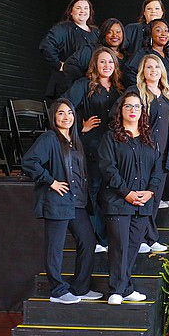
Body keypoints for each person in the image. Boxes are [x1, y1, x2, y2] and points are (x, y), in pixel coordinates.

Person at [22, 98, 100, 304]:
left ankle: (80, 288)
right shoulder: (49, 138)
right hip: (58, 201)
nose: (66, 117)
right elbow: (29, 162)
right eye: (61, 113)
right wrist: (51, 181)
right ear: (53, 117)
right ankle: (57, 290)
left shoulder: (74, 140)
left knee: (88, 241)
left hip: (77, 201)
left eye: (70, 113)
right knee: (54, 248)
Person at [98, 91, 163, 305]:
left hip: (143, 203)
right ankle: (116, 289)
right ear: (121, 110)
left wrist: (151, 191)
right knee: (119, 247)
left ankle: (125, 288)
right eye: (128, 106)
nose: (133, 110)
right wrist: (126, 193)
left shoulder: (149, 138)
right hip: (118, 201)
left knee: (133, 246)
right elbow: (108, 169)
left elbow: (157, 168)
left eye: (137, 107)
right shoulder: (110, 137)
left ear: (142, 111)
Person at [64, 47, 125, 252]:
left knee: (110, 192)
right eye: (102, 62)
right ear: (95, 65)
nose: (106, 66)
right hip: (91, 146)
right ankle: (95, 239)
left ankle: (107, 237)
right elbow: (64, 105)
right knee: (93, 191)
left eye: (110, 62)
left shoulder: (119, 88)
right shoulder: (84, 85)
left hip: (114, 148)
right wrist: (80, 126)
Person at [126, 19, 169, 208]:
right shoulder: (144, 54)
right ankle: (154, 199)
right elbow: (129, 71)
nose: (163, 33)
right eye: (158, 29)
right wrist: (145, 90)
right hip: (153, 111)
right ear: (149, 33)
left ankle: (166, 195)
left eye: (166, 30)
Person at [132, 54, 169, 254]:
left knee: (154, 199)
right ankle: (142, 239)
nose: (153, 70)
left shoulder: (167, 95)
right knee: (143, 198)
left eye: (156, 67)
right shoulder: (136, 93)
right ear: (142, 71)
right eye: (149, 67)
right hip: (144, 155)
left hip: (164, 156)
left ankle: (149, 237)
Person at [39, 0, 99, 98]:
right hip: (67, 85)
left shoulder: (96, 33)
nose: (82, 11)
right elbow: (47, 45)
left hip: (90, 86)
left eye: (86, 8)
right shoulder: (63, 28)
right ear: (70, 11)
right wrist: (59, 65)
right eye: (78, 8)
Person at [64, 18, 126, 82]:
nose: (115, 35)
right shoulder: (92, 50)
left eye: (118, 32)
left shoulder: (127, 55)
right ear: (104, 34)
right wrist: (85, 84)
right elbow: (70, 65)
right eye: (109, 32)